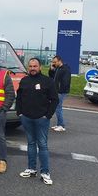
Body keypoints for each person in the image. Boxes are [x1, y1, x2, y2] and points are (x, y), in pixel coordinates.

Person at [16, 57, 59, 185]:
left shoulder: (48, 81)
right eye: (30, 66)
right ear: (28, 67)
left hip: (42, 119)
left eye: (35, 66)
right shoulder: (24, 81)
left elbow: (55, 100)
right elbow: (19, 98)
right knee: (30, 143)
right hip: (27, 118)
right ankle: (31, 169)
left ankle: (45, 172)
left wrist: (48, 115)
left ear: (40, 67)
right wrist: (20, 113)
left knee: (43, 145)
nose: (32, 68)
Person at [48, 55, 71, 132]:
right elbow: (51, 76)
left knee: (58, 107)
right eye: (53, 62)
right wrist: (51, 69)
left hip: (61, 91)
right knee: (57, 107)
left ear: (59, 61)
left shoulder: (65, 69)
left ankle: (61, 125)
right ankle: (59, 124)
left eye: (55, 62)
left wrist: (60, 90)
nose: (53, 63)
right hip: (57, 91)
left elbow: (66, 81)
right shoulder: (57, 68)